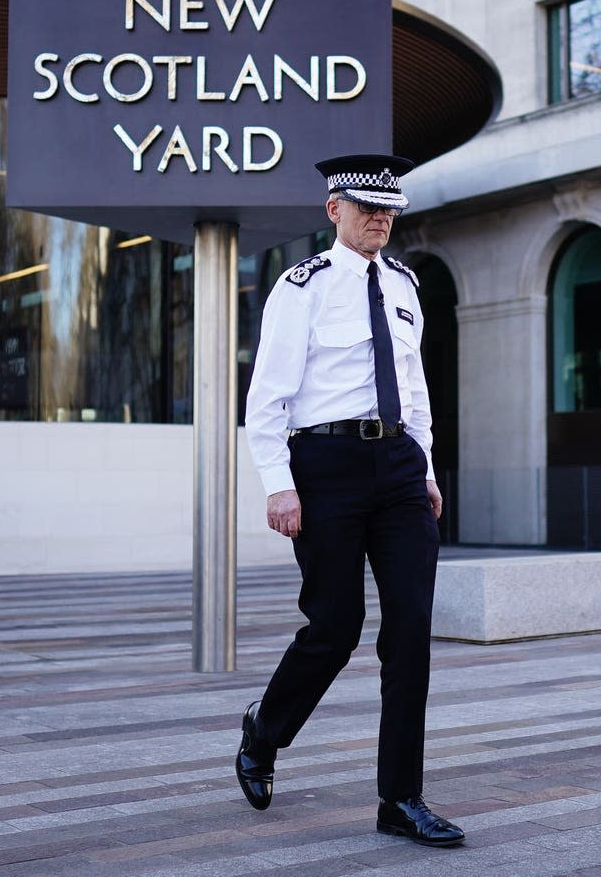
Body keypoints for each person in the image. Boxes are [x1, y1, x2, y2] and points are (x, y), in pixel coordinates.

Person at [236, 154, 465, 848]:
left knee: (411, 631)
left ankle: (401, 799)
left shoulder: (404, 285)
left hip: (397, 466)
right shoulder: (298, 288)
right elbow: (267, 398)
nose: (381, 217)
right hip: (325, 466)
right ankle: (263, 731)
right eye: (367, 207)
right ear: (334, 210)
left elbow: (415, 386)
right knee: (334, 628)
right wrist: (279, 482)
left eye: (389, 208)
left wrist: (423, 467)